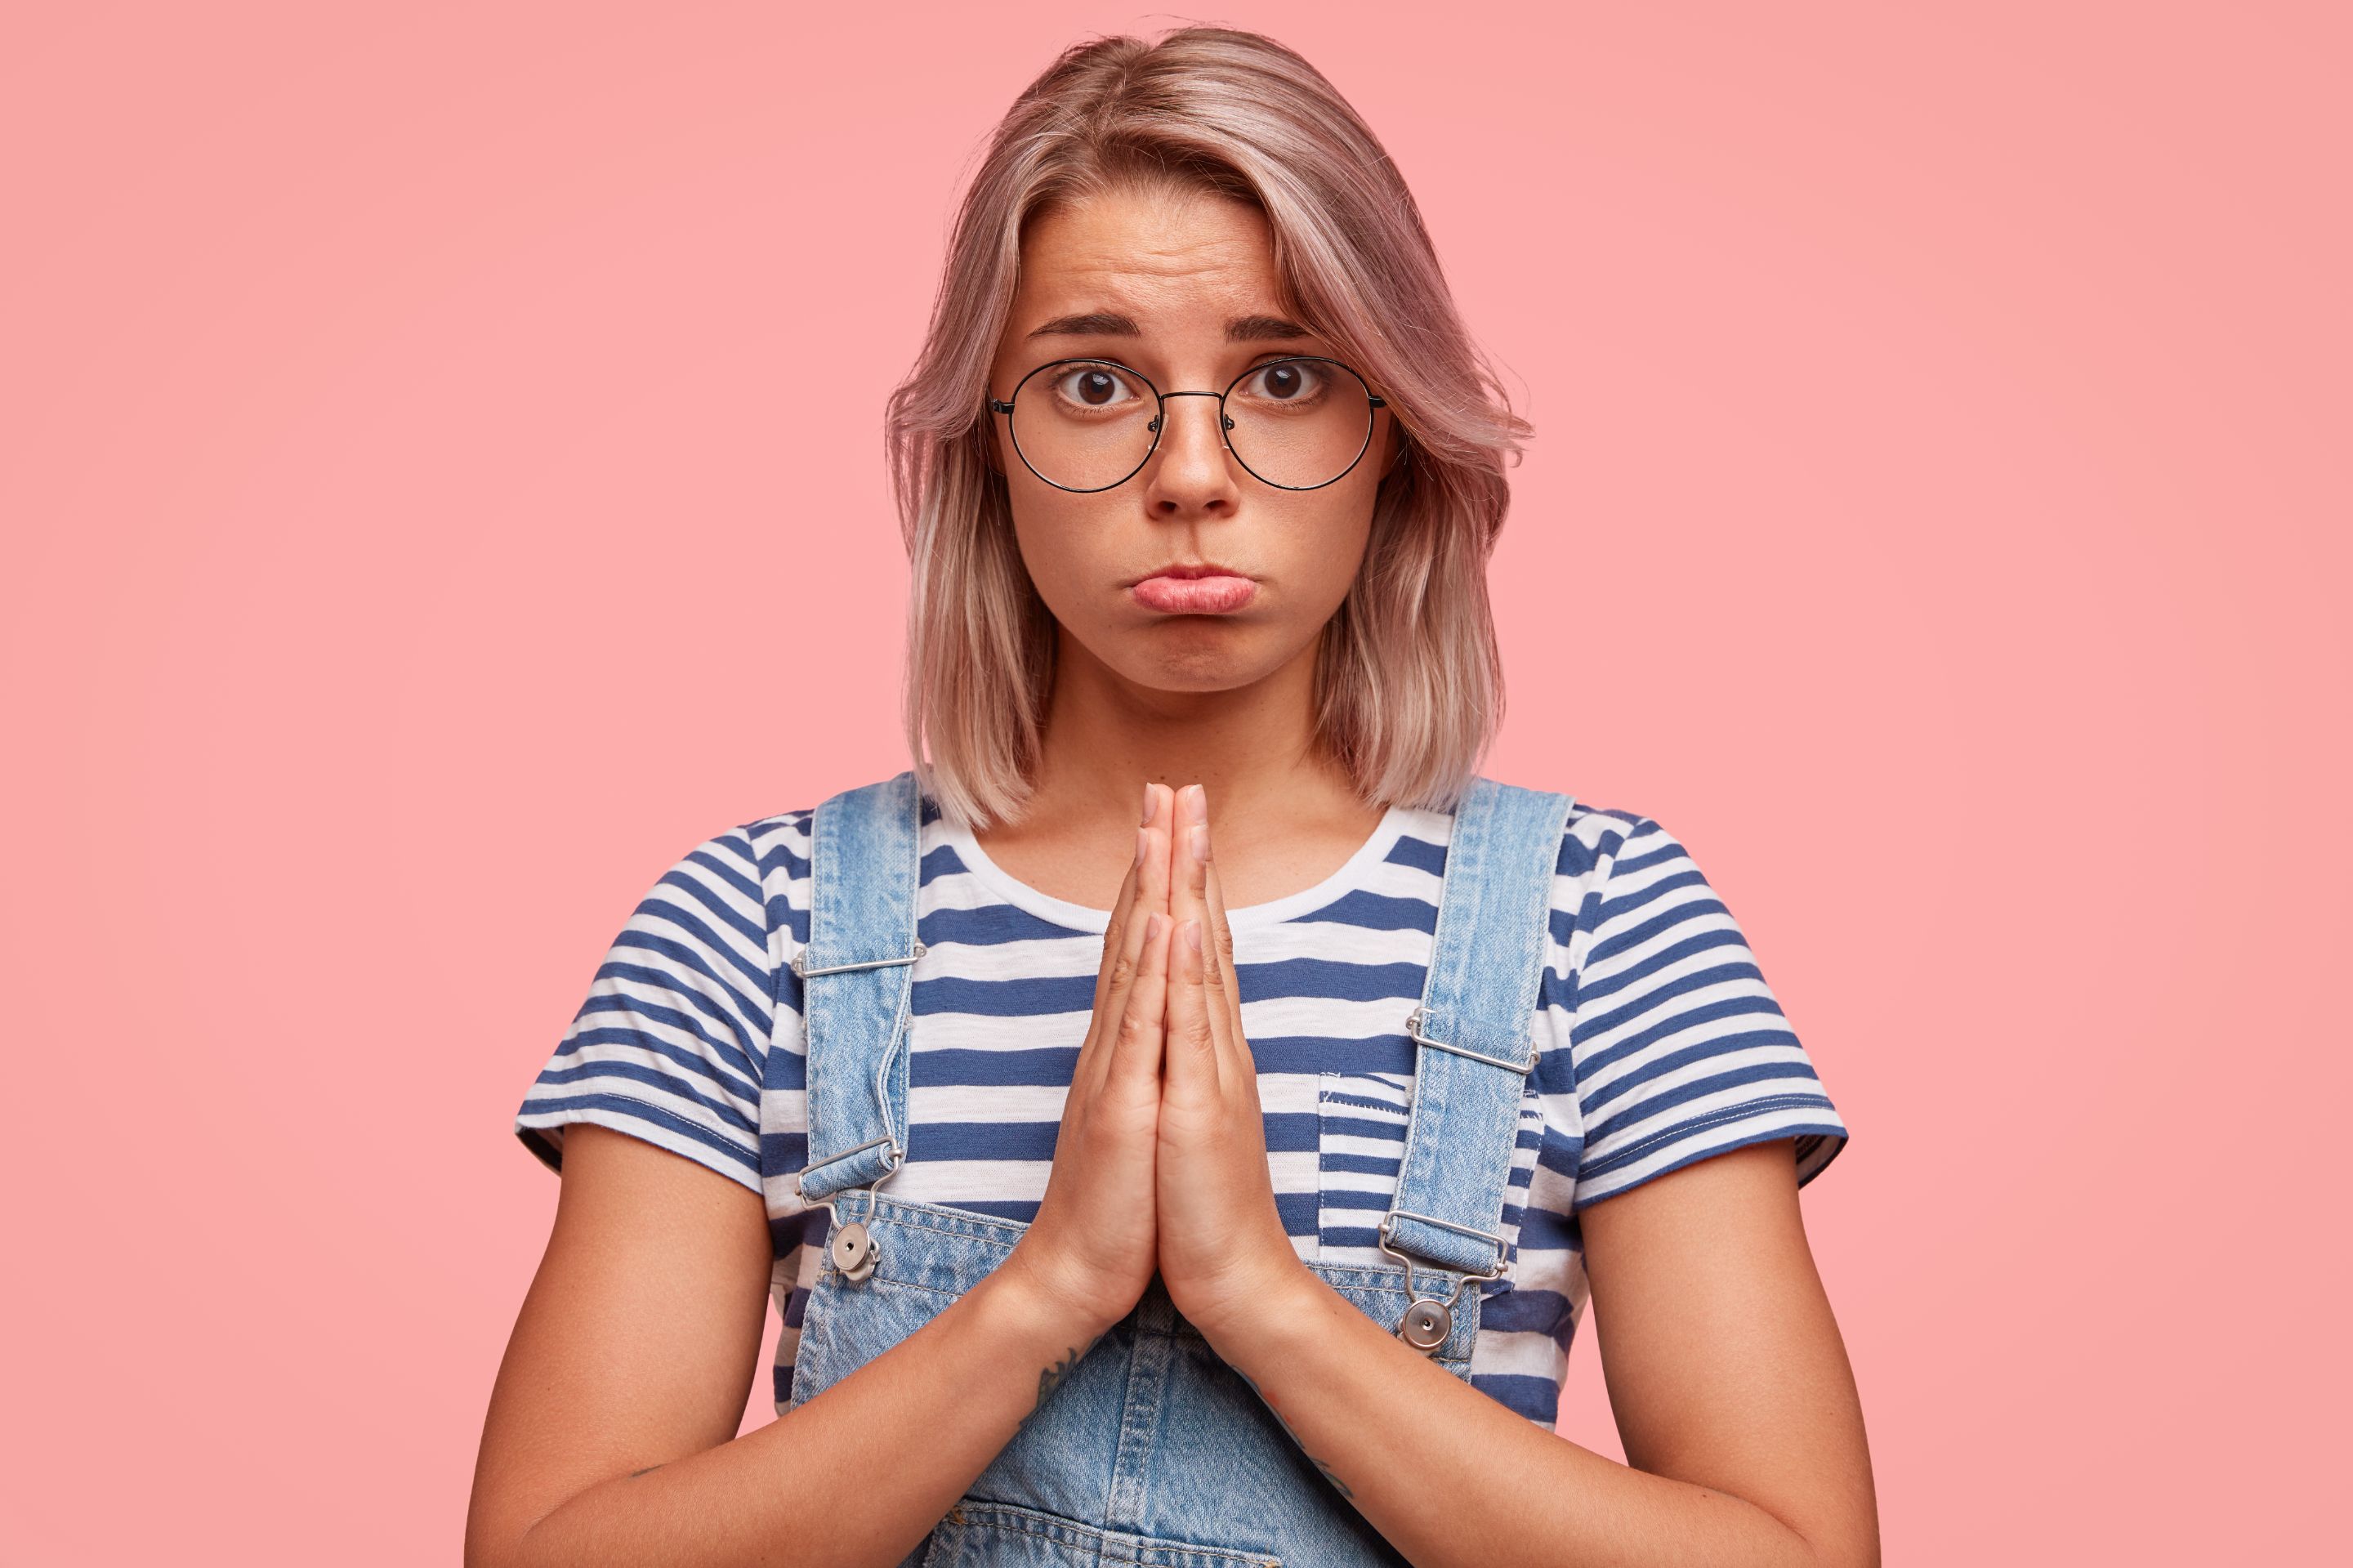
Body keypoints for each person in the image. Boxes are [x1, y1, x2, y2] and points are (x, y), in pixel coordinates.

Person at [468, 25, 1877, 1568]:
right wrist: (1050, 1287)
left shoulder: (1605, 923)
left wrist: (1262, 1298)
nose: (1191, 471)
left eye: (1282, 376)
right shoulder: (754, 932)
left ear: (1389, 435)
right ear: (981, 450)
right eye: (1093, 383)